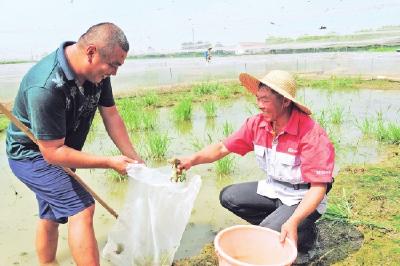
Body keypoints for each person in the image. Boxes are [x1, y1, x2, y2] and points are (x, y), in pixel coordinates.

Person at [6, 22, 143, 266]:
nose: (114, 72)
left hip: (61, 150)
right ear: (91, 52)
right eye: (114, 64)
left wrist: (132, 158)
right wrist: (110, 162)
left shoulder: (97, 73)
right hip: (31, 156)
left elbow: (110, 114)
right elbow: (52, 153)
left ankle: (47, 262)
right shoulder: (47, 85)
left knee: (51, 214)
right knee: (82, 208)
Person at [177, 70, 335, 254]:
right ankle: (281, 226)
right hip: (274, 189)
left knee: (265, 236)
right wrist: (191, 160)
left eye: (265, 100)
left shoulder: (311, 133)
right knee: (229, 197)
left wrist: (292, 221)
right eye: (258, 98)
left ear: (285, 101)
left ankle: (303, 233)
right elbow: (222, 148)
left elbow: (318, 188)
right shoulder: (257, 124)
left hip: (302, 198)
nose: (259, 105)